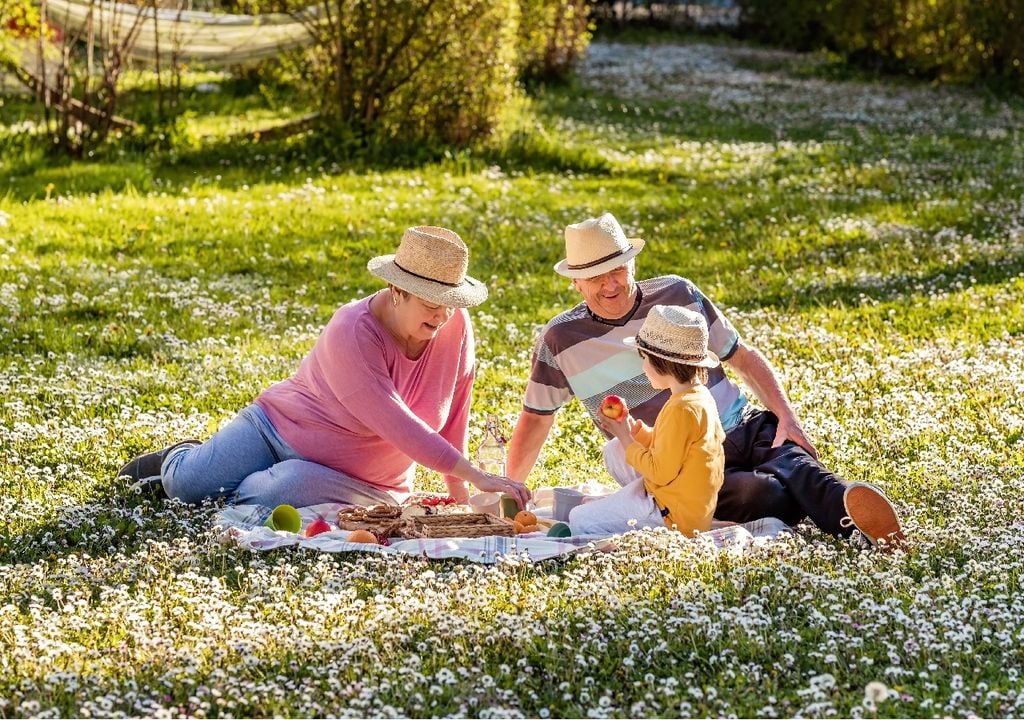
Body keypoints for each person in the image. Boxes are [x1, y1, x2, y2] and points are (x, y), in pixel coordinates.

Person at [506, 212, 903, 546]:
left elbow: (742, 357)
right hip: (679, 459)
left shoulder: (678, 295)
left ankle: (854, 512)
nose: (611, 284)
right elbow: (537, 418)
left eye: (618, 270)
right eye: (596, 277)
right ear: (575, 281)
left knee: (790, 455)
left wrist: (787, 416)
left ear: (633, 265)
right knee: (762, 493)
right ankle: (826, 512)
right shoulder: (561, 340)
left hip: (739, 425)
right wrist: (512, 488)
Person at [118, 226, 532, 511]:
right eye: (430, 303)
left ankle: (241, 480)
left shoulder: (456, 326)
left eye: (450, 302)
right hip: (275, 429)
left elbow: (454, 412)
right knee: (187, 488)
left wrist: (460, 497)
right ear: (398, 290)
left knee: (279, 489)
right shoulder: (351, 330)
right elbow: (397, 423)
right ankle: (180, 459)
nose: (443, 316)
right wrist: (477, 475)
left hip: (362, 483)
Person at [567, 304, 725, 537]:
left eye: (645, 359)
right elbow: (670, 448)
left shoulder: (682, 408)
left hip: (672, 516)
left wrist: (623, 435)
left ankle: (638, 519)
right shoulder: (695, 397)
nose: (643, 367)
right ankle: (628, 505)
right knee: (615, 449)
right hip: (685, 503)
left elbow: (660, 472)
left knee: (578, 519)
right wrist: (632, 428)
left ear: (662, 363)